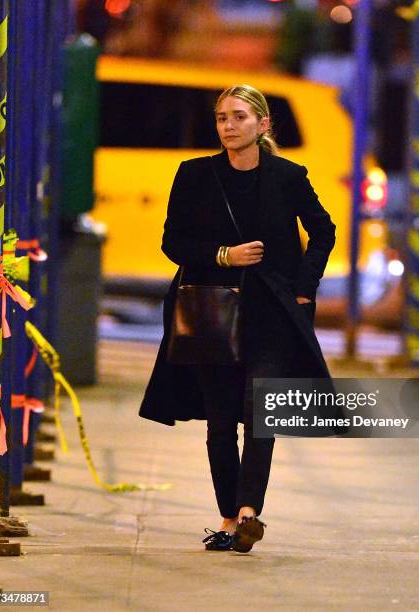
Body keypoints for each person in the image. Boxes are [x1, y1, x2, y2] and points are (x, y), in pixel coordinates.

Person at [139, 84, 337, 553]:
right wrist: (225, 256)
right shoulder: (194, 175)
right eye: (222, 118)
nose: (229, 126)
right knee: (221, 421)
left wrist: (305, 290)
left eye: (240, 117)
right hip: (212, 310)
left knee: (259, 409)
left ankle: (249, 511)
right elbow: (173, 243)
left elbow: (324, 230)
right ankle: (229, 518)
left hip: (272, 312)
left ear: (263, 125)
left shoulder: (288, 176)